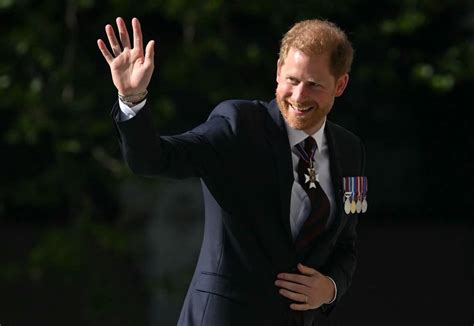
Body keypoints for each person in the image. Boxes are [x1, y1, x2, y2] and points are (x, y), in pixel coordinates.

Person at [98, 17, 366, 326]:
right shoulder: (237, 125)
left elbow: (346, 245)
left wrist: (330, 288)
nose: (299, 96)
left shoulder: (351, 151)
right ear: (278, 71)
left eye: (314, 85)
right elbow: (154, 160)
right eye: (292, 80)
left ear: (340, 84)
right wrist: (132, 99)